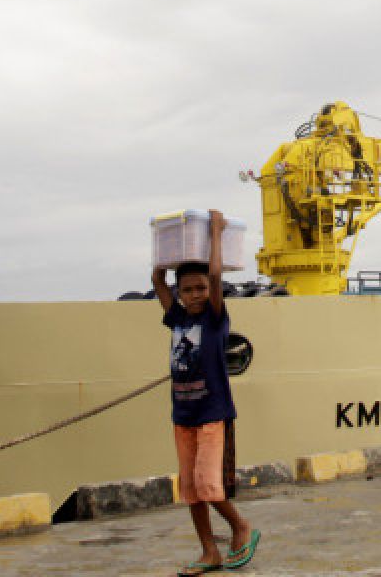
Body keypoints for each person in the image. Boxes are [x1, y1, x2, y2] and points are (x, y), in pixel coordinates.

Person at [151, 210, 260, 574]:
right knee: (191, 491)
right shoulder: (178, 318)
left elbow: (215, 276)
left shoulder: (213, 318)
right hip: (183, 416)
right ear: (179, 294)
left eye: (200, 289)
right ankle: (208, 551)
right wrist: (163, 254)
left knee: (208, 485)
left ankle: (241, 527)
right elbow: (158, 281)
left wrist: (215, 232)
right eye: (188, 290)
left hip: (213, 413)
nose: (195, 295)